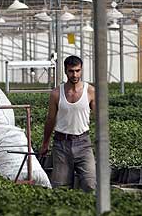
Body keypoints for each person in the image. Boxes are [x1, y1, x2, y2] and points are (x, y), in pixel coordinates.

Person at [40, 55, 96, 192]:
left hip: (83, 143)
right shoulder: (56, 93)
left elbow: (100, 117)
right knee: (61, 188)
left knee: (90, 184)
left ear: (81, 70)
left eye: (77, 70)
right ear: (65, 71)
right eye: (71, 71)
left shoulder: (90, 91)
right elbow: (50, 119)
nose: (74, 74)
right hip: (61, 144)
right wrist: (45, 143)